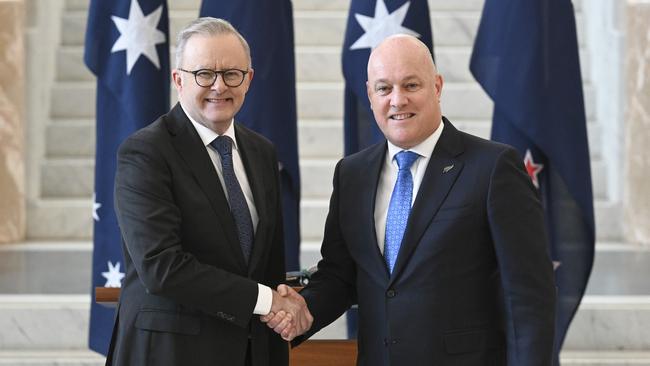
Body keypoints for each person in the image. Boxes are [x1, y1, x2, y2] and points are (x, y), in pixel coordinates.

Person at [264, 34, 556, 365]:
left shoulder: (492, 168)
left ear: (437, 86)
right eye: (384, 88)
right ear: (370, 95)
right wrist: (302, 311)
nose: (397, 100)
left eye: (411, 85)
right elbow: (340, 277)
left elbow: (529, 297)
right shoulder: (352, 174)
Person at [107, 17, 312, 366]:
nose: (219, 86)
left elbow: (268, 267)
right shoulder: (145, 152)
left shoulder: (262, 152)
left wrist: (280, 316)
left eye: (232, 74)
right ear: (178, 80)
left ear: (248, 79)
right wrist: (266, 300)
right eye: (204, 73)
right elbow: (162, 267)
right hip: (169, 354)